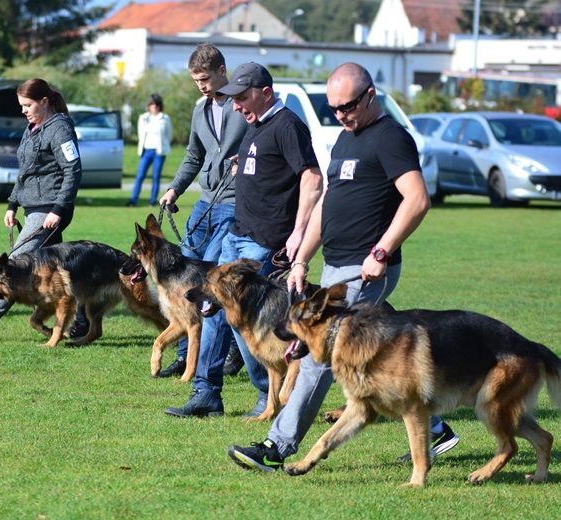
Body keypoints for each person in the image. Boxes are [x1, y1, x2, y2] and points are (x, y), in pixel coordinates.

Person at [227, 62, 459, 472]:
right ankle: (437, 428)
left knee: (318, 352)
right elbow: (326, 204)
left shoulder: (391, 139)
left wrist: (383, 251)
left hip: (365, 267)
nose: (340, 115)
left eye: (347, 106)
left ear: (370, 96)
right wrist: (300, 258)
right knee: (383, 351)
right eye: (333, 108)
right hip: (336, 264)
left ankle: (276, 445)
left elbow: (417, 199)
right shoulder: (345, 140)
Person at [165, 62, 323, 418]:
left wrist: (299, 231)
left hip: (265, 241)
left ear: (265, 93)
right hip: (237, 233)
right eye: (234, 99)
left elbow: (312, 178)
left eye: (242, 98)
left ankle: (270, 395)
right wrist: (246, 160)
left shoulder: (288, 126)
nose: (236, 106)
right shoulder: (258, 124)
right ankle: (206, 392)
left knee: (245, 325)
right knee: (213, 311)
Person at [153, 43, 248, 379]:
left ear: (223, 70)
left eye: (205, 79)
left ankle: (228, 352)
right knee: (181, 275)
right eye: (196, 81)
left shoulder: (243, 104)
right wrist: (174, 187)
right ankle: (184, 355)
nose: (202, 86)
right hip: (205, 200)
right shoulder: (200, 110)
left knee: (208, 279)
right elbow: (194, 156)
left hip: (234, 202)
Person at [0, 78, 82, 340]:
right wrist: (12, 204)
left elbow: (73, 169)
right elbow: (24, 173)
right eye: (22, 106)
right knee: (58, 269)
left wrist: (59, 208)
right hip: (33, 208)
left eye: (28, 105)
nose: (23, 110)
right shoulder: (32, 129)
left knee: (12, 265)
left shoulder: (59, 129)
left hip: (49, 209)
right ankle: (82, 318)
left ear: (44, 102)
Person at [127, 93, 173, 207]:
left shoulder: (165, 118)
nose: (155, 106)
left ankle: (152, 201)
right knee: (140, 176)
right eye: (152, 104)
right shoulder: (143, 118)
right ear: (149, 105)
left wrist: (163, 145)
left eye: (157, 104)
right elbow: (140, 133)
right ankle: (133, 200)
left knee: (156, 177)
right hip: (146, 151)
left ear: (160, 106)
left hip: (159, 151)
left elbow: (169, 134)